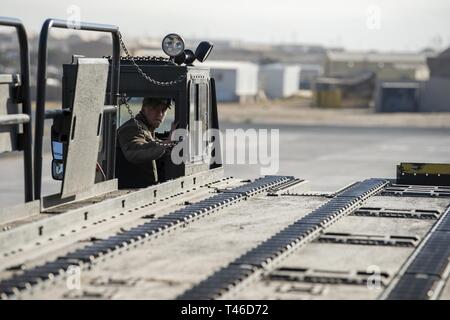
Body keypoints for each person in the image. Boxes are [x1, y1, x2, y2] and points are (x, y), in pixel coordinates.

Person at [115, 97, 177, 189]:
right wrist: (167, 143)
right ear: (144, 109)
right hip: (131, 191)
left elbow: (152, 143)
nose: (160, 114)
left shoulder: (147, 129)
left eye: (163, 110)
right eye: (155, 108)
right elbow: (134, 151)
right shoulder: (131, 128)